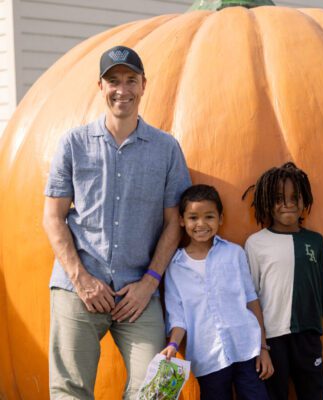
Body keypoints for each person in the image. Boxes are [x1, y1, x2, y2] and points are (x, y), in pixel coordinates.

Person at [42, 45, 191, 399]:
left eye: (130, 80)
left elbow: (175, 223)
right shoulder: (73, 143)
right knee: (69, 389)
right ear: (100, 86)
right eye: (113, 81)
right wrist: (81, 279)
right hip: (79, 284)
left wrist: (150, 282)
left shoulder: (166, 148)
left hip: (137, 290)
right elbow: (53, 216)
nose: (121, 89)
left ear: (143, 85)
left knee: (157, 389)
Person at [243, 162, 323, 400]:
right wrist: (259, 344)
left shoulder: (315, 241)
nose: (288, 203)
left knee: (314, 395)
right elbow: (249, 296)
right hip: (272, 340)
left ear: (304, 200)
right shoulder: (256, 243)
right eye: (278, 198)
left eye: (295, 197)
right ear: (266, 202)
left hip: (307, 335)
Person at [161, 184, 274, 400]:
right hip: (208, 357)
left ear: (220, 219)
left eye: (209, 217)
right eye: (193, 217)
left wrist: (263, 348)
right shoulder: (175, 266)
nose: (201, 224)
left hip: (246, 350)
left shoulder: (234, 253)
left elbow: (251, 300)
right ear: (182, 220)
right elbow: (178, 317)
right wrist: (173, 346)